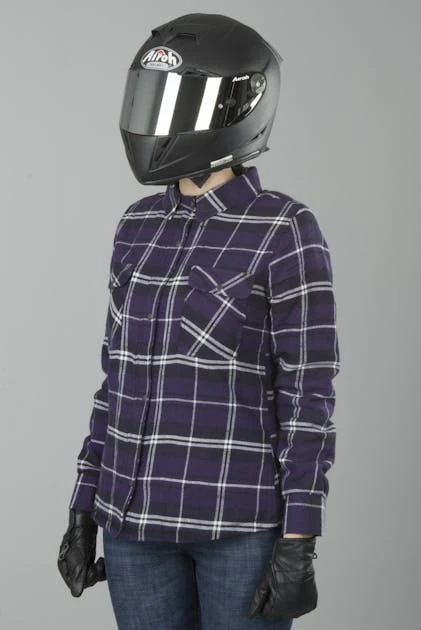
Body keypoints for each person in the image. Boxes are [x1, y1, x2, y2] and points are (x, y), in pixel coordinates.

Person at [57, 12, 340, 629]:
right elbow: (115, 382)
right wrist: (84, 503)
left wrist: (300, 537)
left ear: (234, 107)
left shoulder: (284, 229)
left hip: (235, 526)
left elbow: (307, 395)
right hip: (131, 524)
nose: (158, 119)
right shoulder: (136, 227)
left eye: (178, 101)